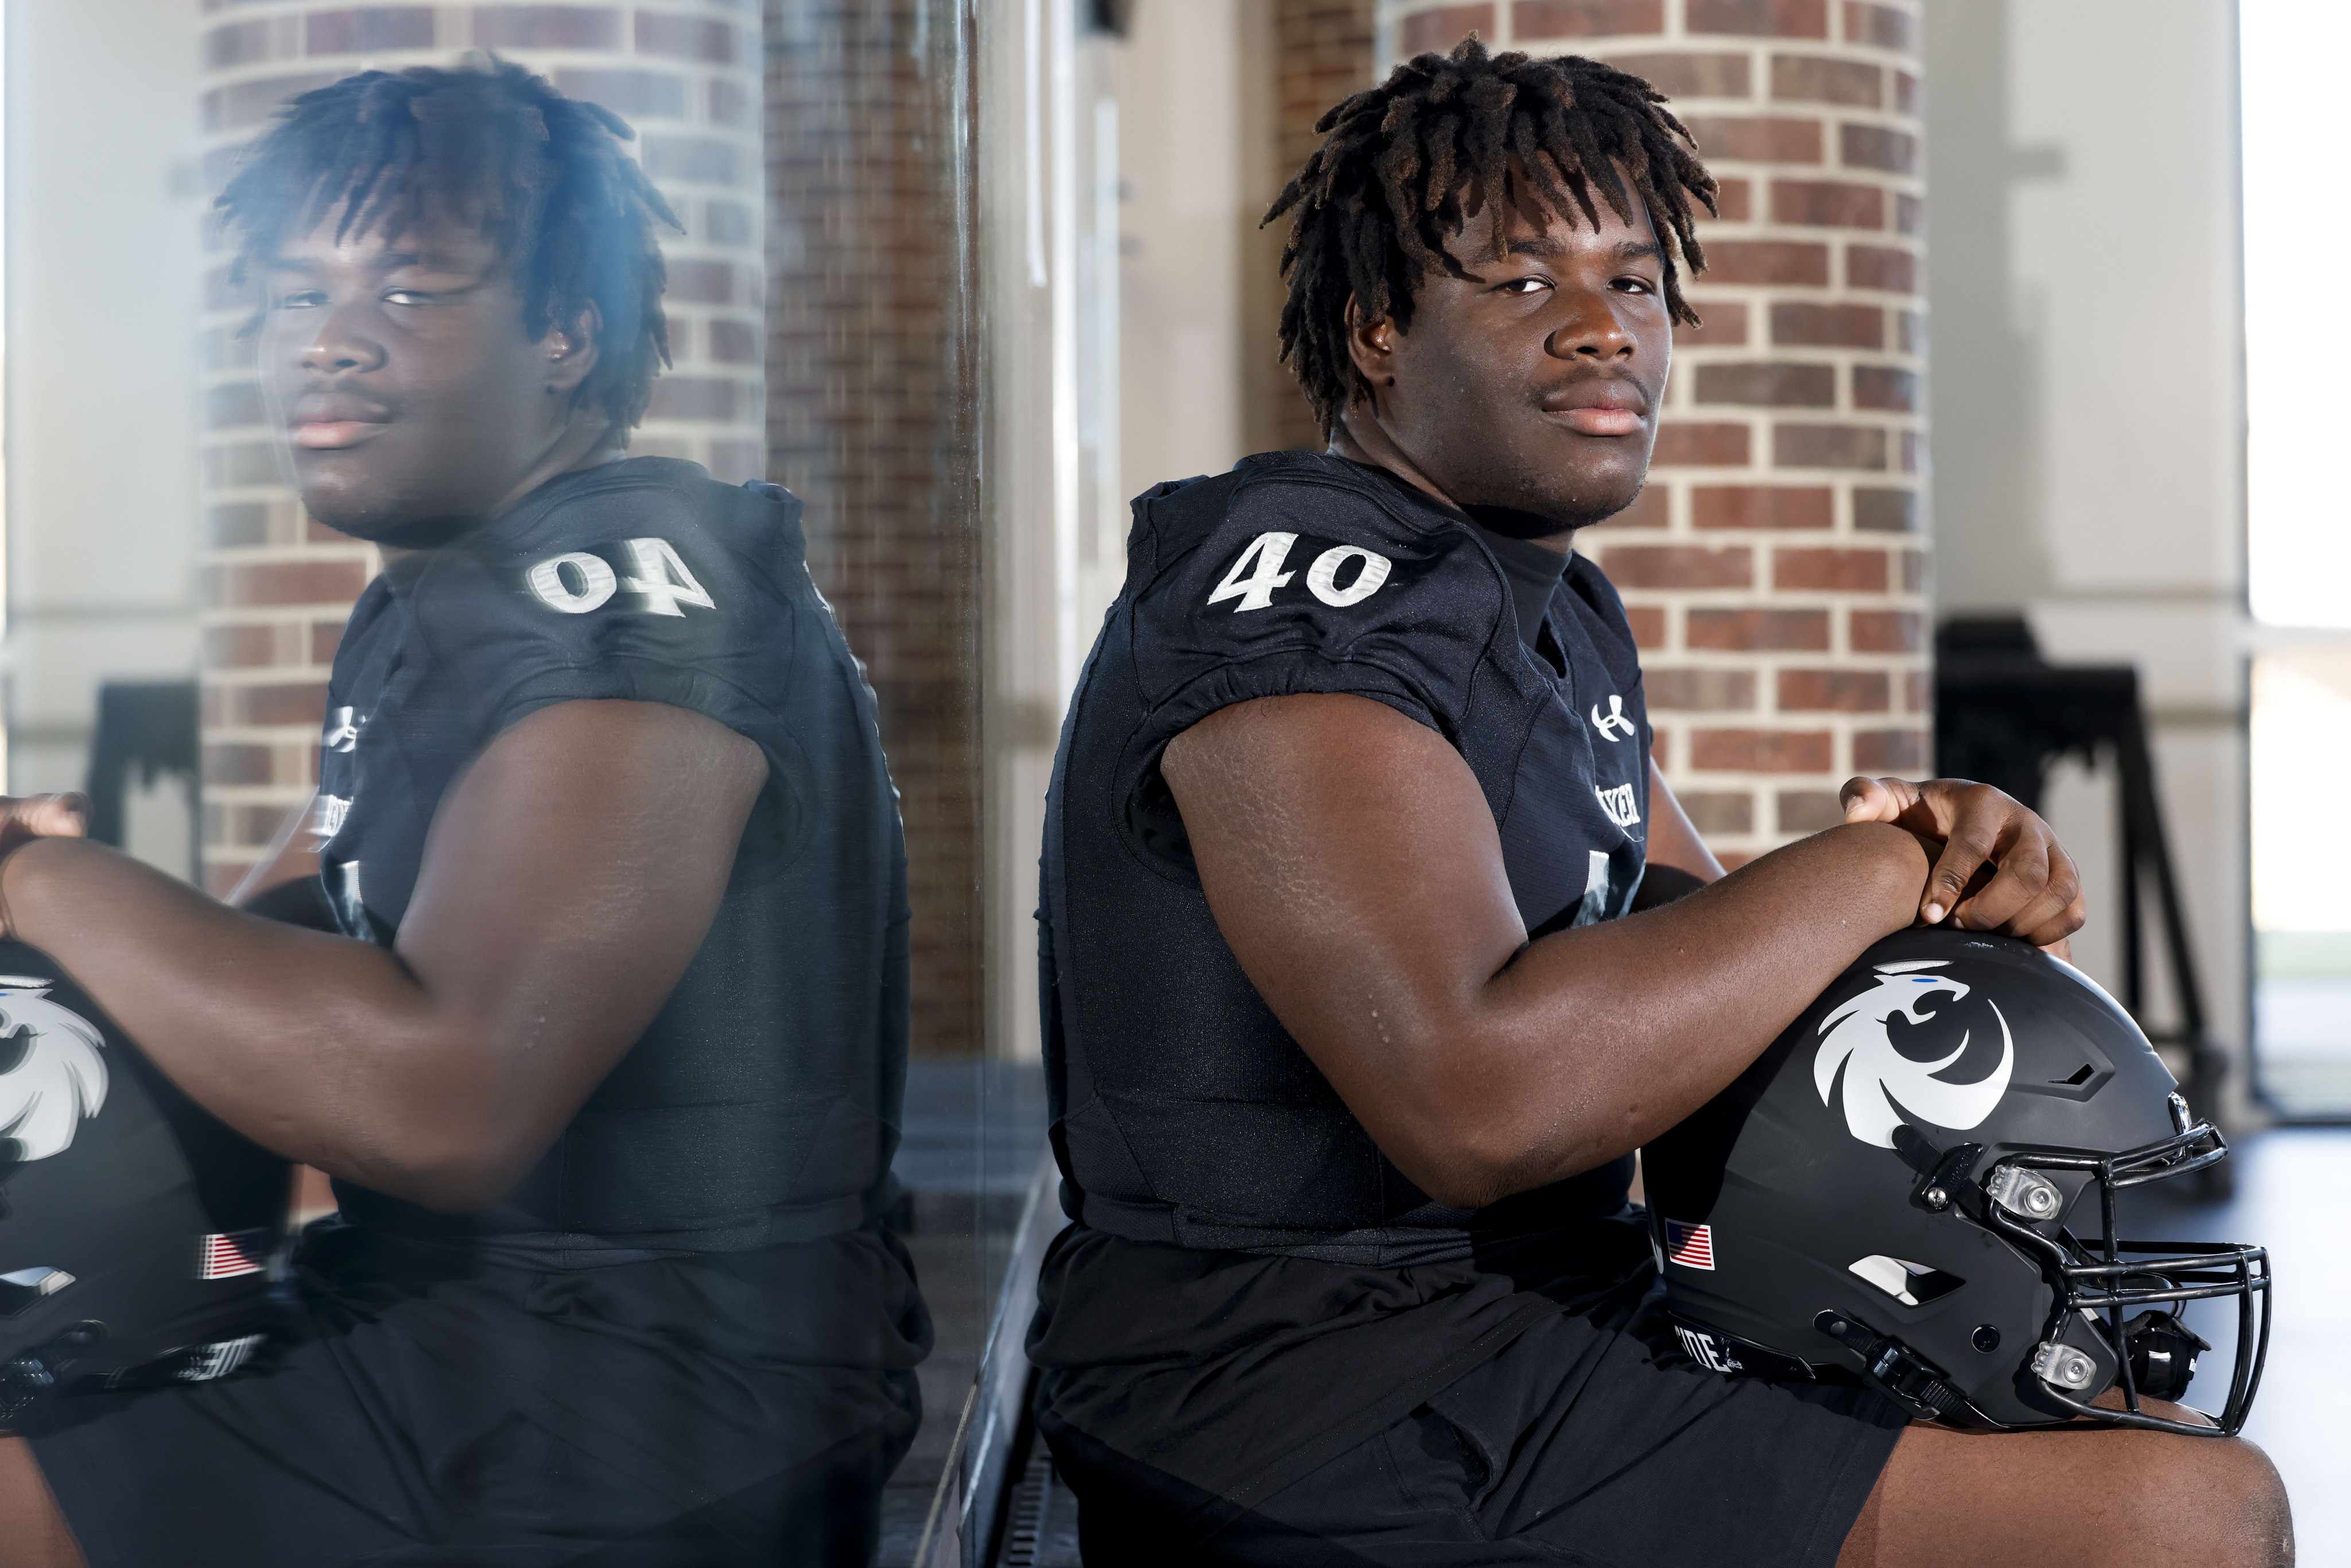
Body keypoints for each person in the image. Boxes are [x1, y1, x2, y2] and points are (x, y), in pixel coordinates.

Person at [1027, 38, 2291, 1567]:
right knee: (2186, 1518)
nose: (1600, 330)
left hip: (1525, 1326)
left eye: (1633, 281)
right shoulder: (1300, 590)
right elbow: (1478, 1092)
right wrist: (1876, 864)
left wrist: (1943, 864)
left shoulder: (1549, 610)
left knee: (2089, 1411)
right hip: (1306, 1390)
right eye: (1521, 280)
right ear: (1373, 330)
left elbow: (1687, 960)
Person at [0, 61, 926, 1567]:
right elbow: (269, 993)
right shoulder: (441, 596)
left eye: (413, 290)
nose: (327, 344)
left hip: (645, 1378)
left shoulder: (638, 574)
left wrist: (39, 879)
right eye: (291, 296)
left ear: (566, 332)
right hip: (461, 1313)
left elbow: (445, 1095)